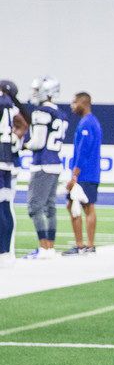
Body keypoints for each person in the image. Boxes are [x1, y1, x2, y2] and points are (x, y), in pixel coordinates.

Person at [22, 76, 68, 260]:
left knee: (35, 207)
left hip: (42, 164)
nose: (34, 93)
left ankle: (43, 248)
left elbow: (38, 142)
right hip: (55, 163)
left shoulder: (41, 112)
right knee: (50, 207)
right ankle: (49, 248)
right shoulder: (61, 114)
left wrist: (23, 145)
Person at [63, 92, 102, 255]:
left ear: (83, 103)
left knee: (78, 206)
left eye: (74, 102)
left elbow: (83, 151)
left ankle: (81, 245)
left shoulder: (86, 123)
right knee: (86, 207)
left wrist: (75, 175)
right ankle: (88, 245)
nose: (72, 105)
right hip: (91, 172)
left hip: (85, 174)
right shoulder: (93, 122)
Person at [0, 80, 29, 267]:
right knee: (4, 205)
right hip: (7, 160)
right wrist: (13, 139)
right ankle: (5, 251)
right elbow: (23, 125)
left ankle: (4, 250)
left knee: (3, 206)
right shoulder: (11, 105)